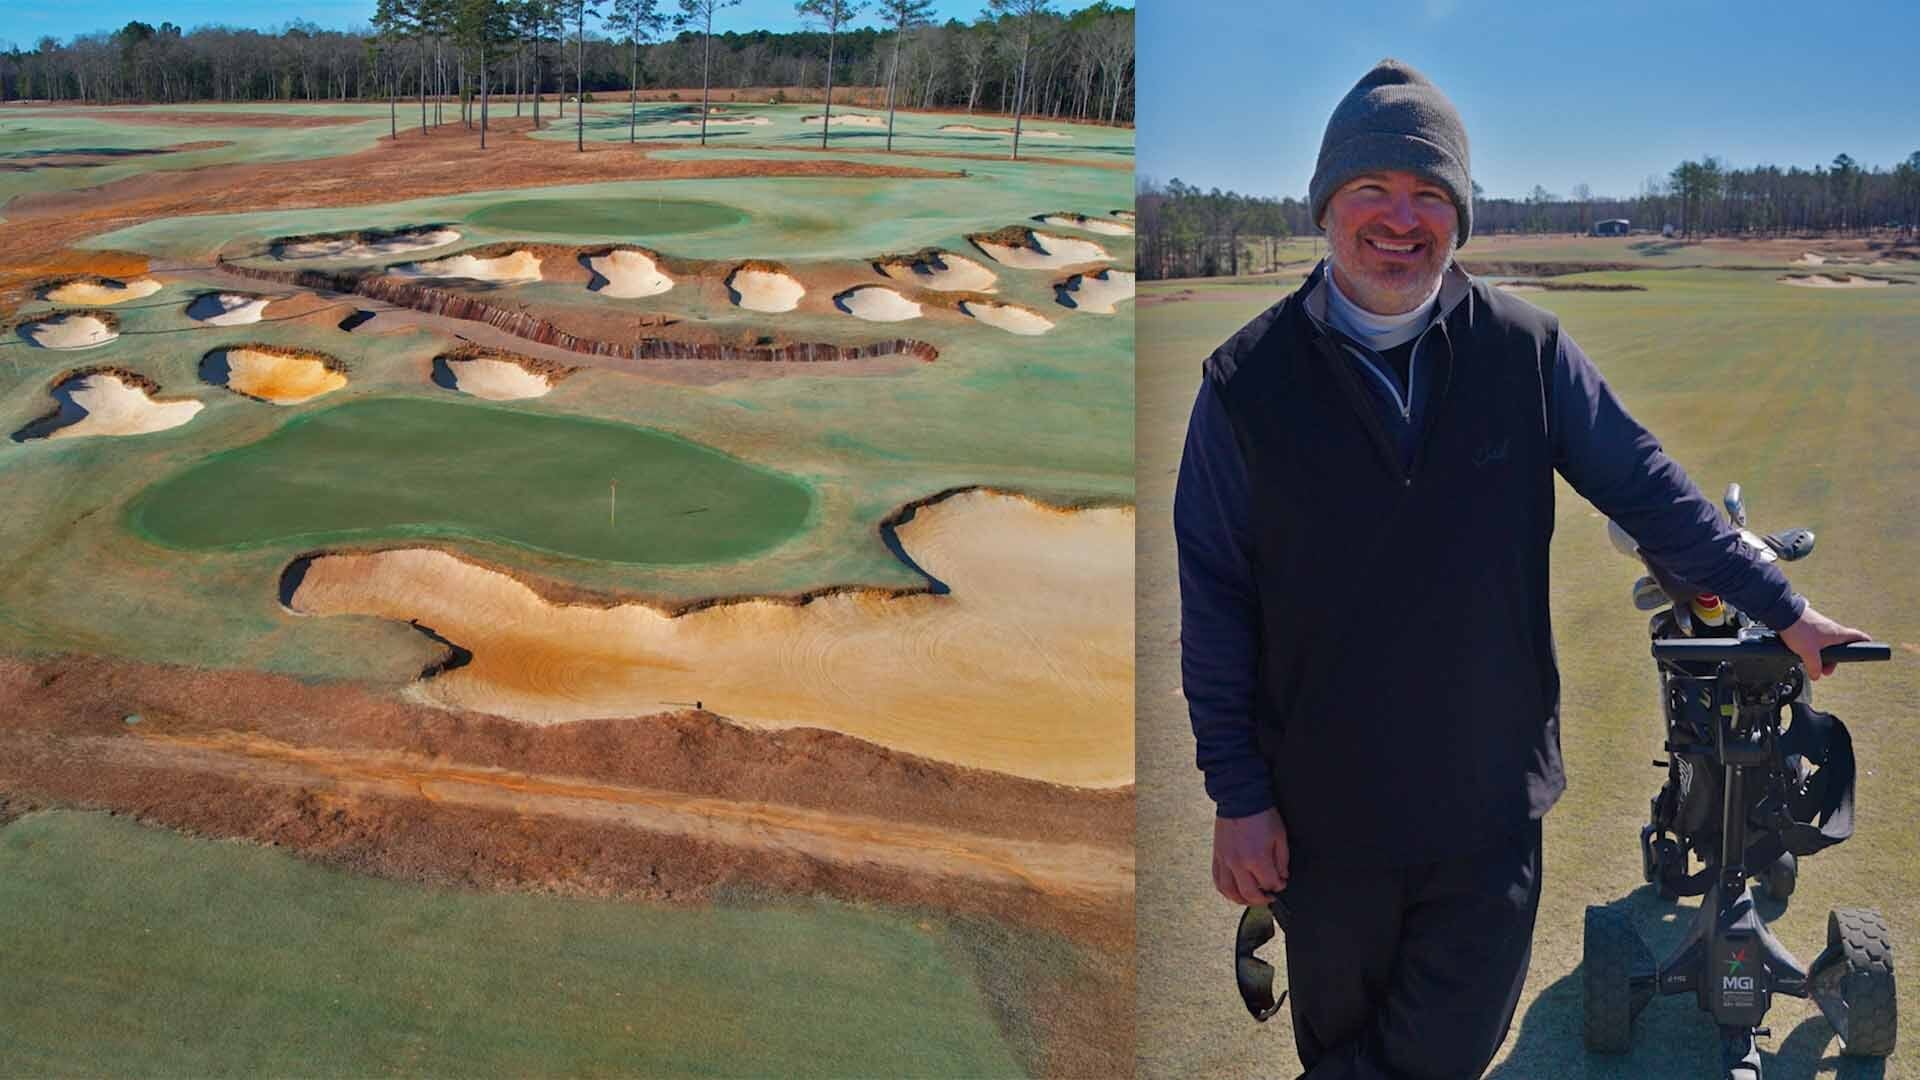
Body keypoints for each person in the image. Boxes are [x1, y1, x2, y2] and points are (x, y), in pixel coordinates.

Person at [1173, 58, 1869, 1079]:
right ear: (1326, 206)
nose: (1400, 218)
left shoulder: (1524, 351)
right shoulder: (1243, 385)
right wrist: (1237, 796)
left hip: (1486, 807)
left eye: (1429, 195)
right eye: (1372, 190)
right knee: (1339, 1046)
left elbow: (1653, 496)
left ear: (1459, 216)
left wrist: (1788, 609)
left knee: (1446, 1049)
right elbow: (1218, 602)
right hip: (1323, 819)